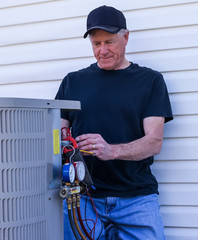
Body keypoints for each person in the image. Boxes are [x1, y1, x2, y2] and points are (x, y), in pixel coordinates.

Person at [55, 5, 173, 240]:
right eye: (96, 44)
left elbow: (154, 142)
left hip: (137, 199)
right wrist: (66, 146)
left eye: (109, 42)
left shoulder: (150, 81)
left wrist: (111, 150)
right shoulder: (72, 81)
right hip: (83, 199)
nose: (103, 51)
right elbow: (57, 137)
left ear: (126, 37)